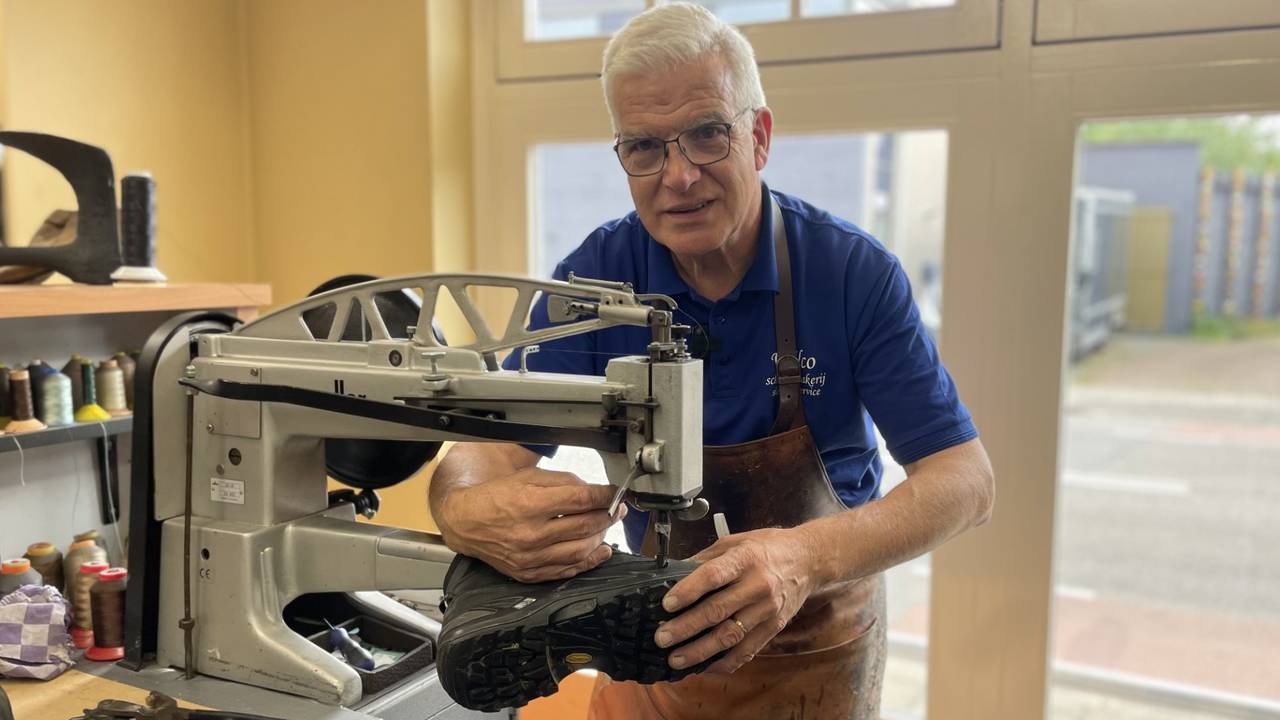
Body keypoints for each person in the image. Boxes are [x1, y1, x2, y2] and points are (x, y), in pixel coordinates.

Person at [428, 3, 994, 718]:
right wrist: (462, 506)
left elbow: (965, 481)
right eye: (644, 147)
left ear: (758, 136)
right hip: (650, 650)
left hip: (814, 658)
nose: (680, 176)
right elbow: (490, 450)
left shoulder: (848, 273)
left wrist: (802, 559)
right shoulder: (596, 280)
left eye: (705, 135)